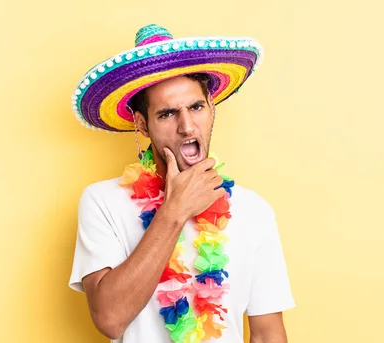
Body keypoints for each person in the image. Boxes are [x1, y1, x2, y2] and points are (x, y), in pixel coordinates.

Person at [68, 24, 295, 343]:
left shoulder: (253, 209)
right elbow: (110, 320)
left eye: (196, 107)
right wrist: (174, 211)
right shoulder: (102, 201)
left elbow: (268, 333)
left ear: (211, 109)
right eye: (167, 114)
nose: (187, 127)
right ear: (143, 125)